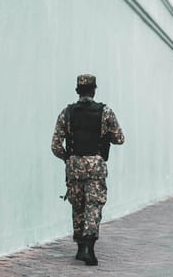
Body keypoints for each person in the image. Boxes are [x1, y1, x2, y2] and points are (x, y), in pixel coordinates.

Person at [51, 74, 125, 266]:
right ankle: (89, 248)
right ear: (94, 90)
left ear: (78, 91)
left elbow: (56, 145)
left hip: (74, 165)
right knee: (93, 204)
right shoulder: (105, 112)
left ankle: (80, 247)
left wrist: (68, 158)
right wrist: (104, 136)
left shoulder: (67, 113)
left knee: (78, 204)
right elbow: (119, 138)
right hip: (95, 165)